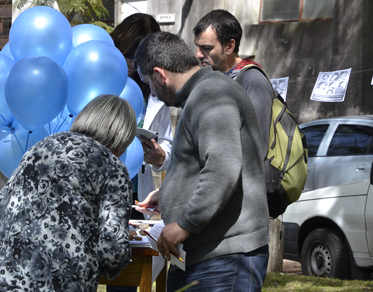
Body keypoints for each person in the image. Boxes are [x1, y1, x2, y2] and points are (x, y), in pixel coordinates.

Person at [134, 31, 270, 292]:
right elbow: (204, 164)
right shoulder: (201, 94)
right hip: (207, 254)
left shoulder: (211, 94)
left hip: (225, 257)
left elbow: (223, 169)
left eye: (148, 83)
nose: (151, 91)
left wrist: (185, 224)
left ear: (161, 75)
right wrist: (169, 193)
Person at [0, 95, 137, 292]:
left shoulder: (41, 147)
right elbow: (112, 250)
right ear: (122, 138)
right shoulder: (113, 167)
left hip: (2, 278)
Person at [108, 13, 174, 292]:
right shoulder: (104, 77)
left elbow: (169, 141)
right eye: (130, 57)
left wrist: (161, 157)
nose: (134, 65)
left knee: (129, 270)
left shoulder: (155, 88)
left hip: (136, 195)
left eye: (140, 58)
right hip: (103, 185)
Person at [192, 9, 273, 171]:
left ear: (229, 46)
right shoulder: (213, 78)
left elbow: (256, 147)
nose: (198, 54)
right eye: (197, 47)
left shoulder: (253, 80)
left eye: (206, 48)